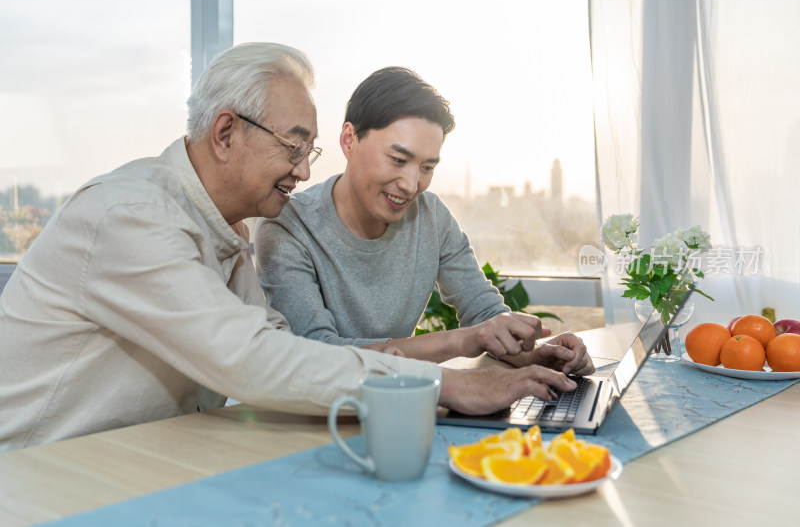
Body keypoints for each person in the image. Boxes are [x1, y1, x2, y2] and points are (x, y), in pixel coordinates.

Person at [0, 44, 580, 452]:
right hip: (38, 476)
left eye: (309, 150)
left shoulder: (225, 233)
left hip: (133, 461)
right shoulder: (131, 215)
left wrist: (498, 354)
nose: (303, 171)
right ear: (226, 132)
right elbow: (257, 362)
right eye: (292, 146)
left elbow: (277, 346)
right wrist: (450, 383)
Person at [255, 66, 594, 374]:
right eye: (398, 159)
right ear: (349, 140)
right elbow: (318, 355)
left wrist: (538, 354)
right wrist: (462, 341)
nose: (411, 184)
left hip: (399, 404)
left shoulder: (430, 217)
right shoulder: (287, 226)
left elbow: (484, 312)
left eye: (428, 167)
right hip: (311, 418)